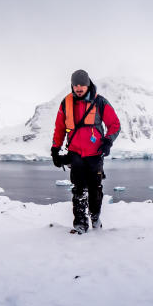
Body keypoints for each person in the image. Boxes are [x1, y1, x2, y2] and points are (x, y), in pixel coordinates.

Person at [51, 69, 121, 234]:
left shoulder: (100, 102)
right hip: (75, 153)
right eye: (76, 85)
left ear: (88, 84)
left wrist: (108, 141)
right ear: (72, 86)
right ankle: (80, 224)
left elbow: (114, 124)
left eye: (82, 84)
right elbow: (59, 128)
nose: (79, 88)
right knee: (79, 190)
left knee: (95, 189)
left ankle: (95, 216)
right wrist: (55, 149)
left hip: (95, 154)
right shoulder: (65, 103)